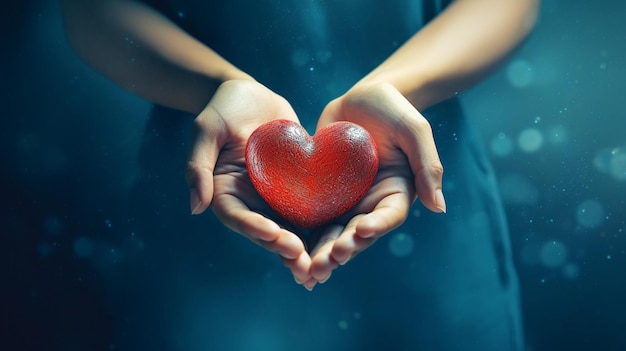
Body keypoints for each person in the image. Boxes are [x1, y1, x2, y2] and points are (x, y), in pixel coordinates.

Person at [61, 0, 540, 349]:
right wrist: (217, 85)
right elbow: (89, 11)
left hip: (424, 214)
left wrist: (397, 85)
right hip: (211, 194)